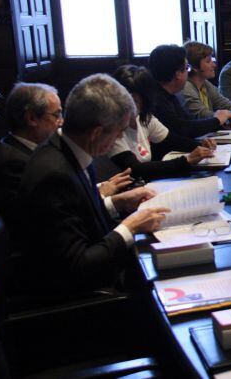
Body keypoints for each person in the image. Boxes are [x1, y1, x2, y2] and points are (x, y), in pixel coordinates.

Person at [17, 74, 169, 293]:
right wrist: (130, 226)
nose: (119, 139)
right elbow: (78, 264)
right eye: (118, 132)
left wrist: (116, 203)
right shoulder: (53, 174)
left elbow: (78, 219)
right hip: (80, 298)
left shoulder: (70, 148)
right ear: (97, 132)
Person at [108, 65, 216, 181]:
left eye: (134, 100)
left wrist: (200, 145)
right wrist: (186, 160)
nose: (128, 105)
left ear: (145, 99)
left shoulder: (144, 118)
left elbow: (171, 140)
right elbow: (135, 170)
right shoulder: (111, 129)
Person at [0, 83, 63, 219]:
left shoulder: (21, 147)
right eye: (56, 115)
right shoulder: (15, 163)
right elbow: (49, 215)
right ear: (32, 119)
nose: (61, 122)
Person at [149, 44, 231, 139]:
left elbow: (186, 125)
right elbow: (182, 129)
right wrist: (218, 120)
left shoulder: (169, 95)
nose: (214, 65)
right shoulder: (157, 100)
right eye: (186, 68)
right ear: (178, 74)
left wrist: (220, 124)